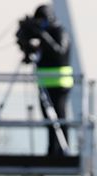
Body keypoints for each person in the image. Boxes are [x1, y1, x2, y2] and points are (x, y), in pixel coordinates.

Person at [18, 4, 72, 156]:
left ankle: (63, 148)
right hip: (44, 84)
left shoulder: (60, 32)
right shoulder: (44, 36)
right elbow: (36, 53)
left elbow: (58, 52)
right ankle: (51, 149)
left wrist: (42, 34)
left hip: (60, 84)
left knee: (59, 117)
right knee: (48, 119)